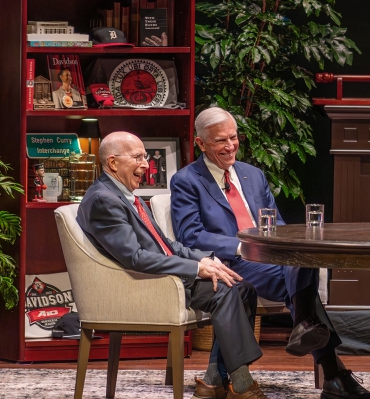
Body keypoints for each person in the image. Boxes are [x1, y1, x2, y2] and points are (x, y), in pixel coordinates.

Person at [170, 107, 370, 399]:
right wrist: (242, 246)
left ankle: (307, 328)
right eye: (220, 141)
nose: (230, 146)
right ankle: (332, 370)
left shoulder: (253, 175)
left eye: (233, 137)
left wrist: (282, 244)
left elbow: (275, 223)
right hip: (232, 261)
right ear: (201, 144)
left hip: (270, 258)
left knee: (303, 259)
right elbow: (191, 235)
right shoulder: (187, 181)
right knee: (301, 280)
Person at [76, 132, 267, 399]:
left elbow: (165, 243)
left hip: (166, 275)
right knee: (227, 290)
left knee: (241, 286)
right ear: (113, 163)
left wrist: (203, 258)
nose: (146, 164)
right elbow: (135, 258)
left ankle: (213, 382)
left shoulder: (123, 194)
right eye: (138, 157)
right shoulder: (104, 200)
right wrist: (194, 269)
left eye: (145, 156)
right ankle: (242, 383)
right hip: (146, 285)